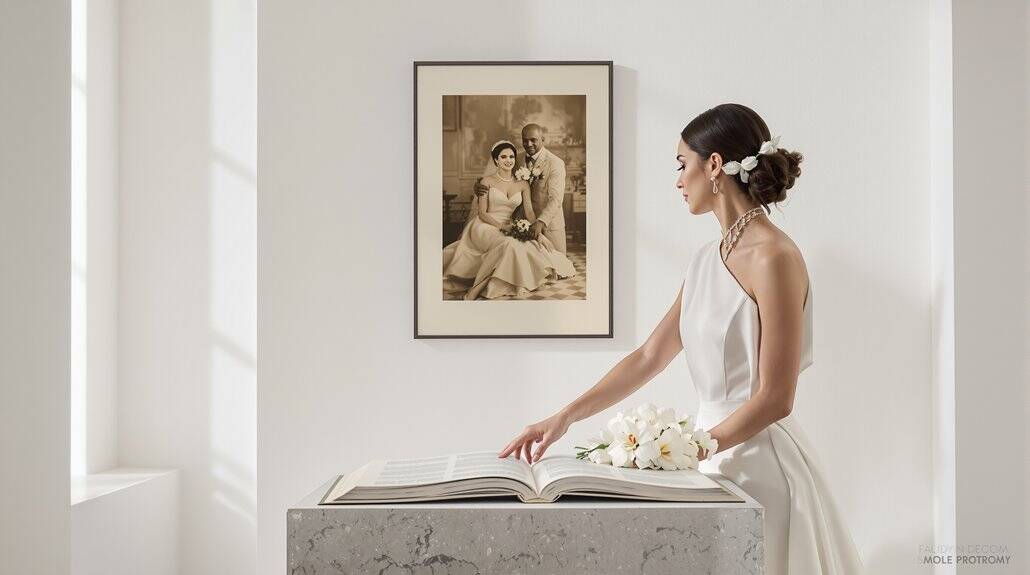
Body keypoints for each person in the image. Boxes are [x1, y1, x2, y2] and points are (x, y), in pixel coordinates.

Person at [498, 104, 865, 574]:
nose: (677, 180)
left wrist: (689, 449)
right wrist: (563, 417)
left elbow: (776, 397)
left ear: (714, 166)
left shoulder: (775, 257)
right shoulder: (705, 259)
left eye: (681, 164)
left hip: (760, 468)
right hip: (707, 464)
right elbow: (651, 355)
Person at [442, 140, 577, 300]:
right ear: (495, 160)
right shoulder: (487, 181)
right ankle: (487, 287)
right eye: (503, 156)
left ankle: (479, 287)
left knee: (516, 245)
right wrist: (501, 227)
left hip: (509, 225)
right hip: (485, 225)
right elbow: (482, 213)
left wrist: (538, 233)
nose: (509, 160)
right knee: (509, 243)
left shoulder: (522, 183)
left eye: (511, 156)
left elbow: (529, 213)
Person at [473, 123, 568, 253]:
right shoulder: (516, 158)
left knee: (557, 266)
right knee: (525, 265)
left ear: (542, 139)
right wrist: (479, 186)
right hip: (523, 223)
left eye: (533, 140)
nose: (528, 144)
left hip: (548, 224)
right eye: (525, 140)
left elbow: (556, 199)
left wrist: (540, 222)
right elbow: (500, 178)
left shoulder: (555, 163)